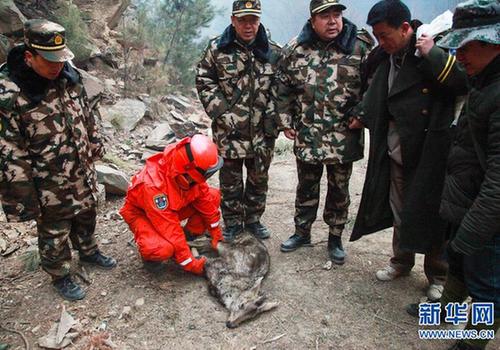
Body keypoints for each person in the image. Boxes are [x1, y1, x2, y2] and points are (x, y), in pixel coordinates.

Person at [349, 0, 468, 301]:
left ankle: (438, 274)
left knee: (432, 212)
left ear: (405, 28)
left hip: (429, 149)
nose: (381, 41)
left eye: (385, 34)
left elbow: (462, 82)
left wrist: (433, 54)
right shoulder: (386, 54)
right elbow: (377, 90)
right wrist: (362, 114)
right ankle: (401, 262)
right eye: (376, 35)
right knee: (401, 209)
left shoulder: (431, 48)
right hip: (395, 147)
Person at [0, 19, 116, 301]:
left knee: (88, 209)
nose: (57, 66)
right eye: (50, 61)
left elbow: (87, 112)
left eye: (60, 59)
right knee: (55, 227)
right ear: (29, 57)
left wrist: (95, 141)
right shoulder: (11, 93)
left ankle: (88, 251)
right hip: (46, 176)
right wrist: (23, 197)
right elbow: (9, 151)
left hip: (80, 164)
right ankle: (60, 272)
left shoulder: (68, 74)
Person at [408, 1, 500, 349]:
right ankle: (443, 315)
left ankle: (471, 343)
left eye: (465, 47)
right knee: (459, 266)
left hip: (487, 216)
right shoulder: (483, 79)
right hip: (467, 202)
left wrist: (474, 231)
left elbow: (498, 181)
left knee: (487, 286)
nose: (459, 56)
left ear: (493, 43)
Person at [274, 0, 373, 265]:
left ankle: (335, 237)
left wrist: (362, 114)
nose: (333, 21)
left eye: (337, 15)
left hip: (343, 134)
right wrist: (285, 121)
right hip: (308, 132)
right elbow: (282, 87)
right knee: (306, 185)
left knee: (339, 188)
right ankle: (302, 232)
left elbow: (374, 86)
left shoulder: (360, 46)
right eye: (325, 16)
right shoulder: (296, 49)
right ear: (312, 19)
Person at [196, 0, 281, 241]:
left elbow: (281, 88)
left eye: (253, 20)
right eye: (243, 20)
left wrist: (273, 118)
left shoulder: (273, 51)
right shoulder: (217, 49)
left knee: (258, 178)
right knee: (230, 180)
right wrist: (222, 113)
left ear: (259, 20)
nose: (248, 25)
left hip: (261, 131)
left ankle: (253, 220)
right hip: (229, 130)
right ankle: (232, 222)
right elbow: (204, 81)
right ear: (233, 20)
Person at [120, 134, 224, 276]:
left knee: (213, 196)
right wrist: (190, 263)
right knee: (161, 248)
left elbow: (205, 199)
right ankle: (151, 258)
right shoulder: (154, 187)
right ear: (187, 170)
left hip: (170, 209)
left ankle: (189, 235)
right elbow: (170, 227)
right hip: (142, 214)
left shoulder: (186, 174)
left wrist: (215, 230)